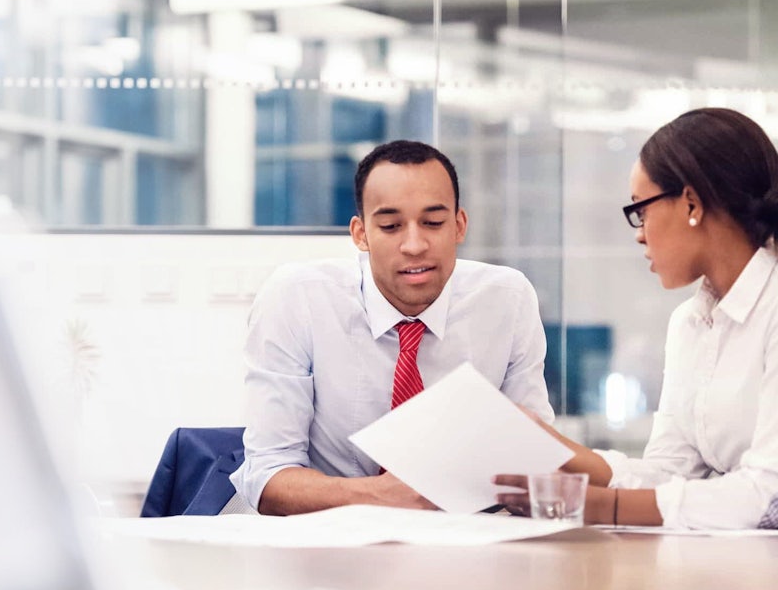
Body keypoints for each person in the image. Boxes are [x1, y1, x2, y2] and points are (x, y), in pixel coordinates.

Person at [497, 107, 778, 533]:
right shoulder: (690, 322)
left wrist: (591, 505)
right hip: (747, 545)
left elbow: (768, 496)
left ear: (691, 203)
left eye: (641, 210)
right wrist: (553, 447)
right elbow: (672, 474)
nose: (639, 233)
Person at [232, 139, 554, 515]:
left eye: (434, 223)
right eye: (390, 226)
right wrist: (381, 496)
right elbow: (267, 477)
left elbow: (535, 460)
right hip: (329, 544)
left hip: (467, 543)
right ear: (360, 234)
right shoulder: (298, 297)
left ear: (459, 225)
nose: (415, 245)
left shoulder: (506, 299)